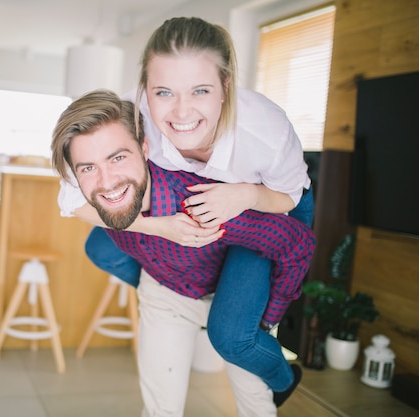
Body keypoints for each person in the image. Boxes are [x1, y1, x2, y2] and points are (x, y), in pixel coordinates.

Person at [56, 17, 314, 407]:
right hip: (183, 208)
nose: (180, 112)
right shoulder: (132, 118)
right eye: (163, 92)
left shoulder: (265, 132)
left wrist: (244, 194)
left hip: (272, 199)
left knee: (232, 334)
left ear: (225, 87)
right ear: (145, 90)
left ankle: (276, 370)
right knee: (103, 246)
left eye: (200, 90)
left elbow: (289, 202)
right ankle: (188, 294)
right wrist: (159, 227)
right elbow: (73, 198)